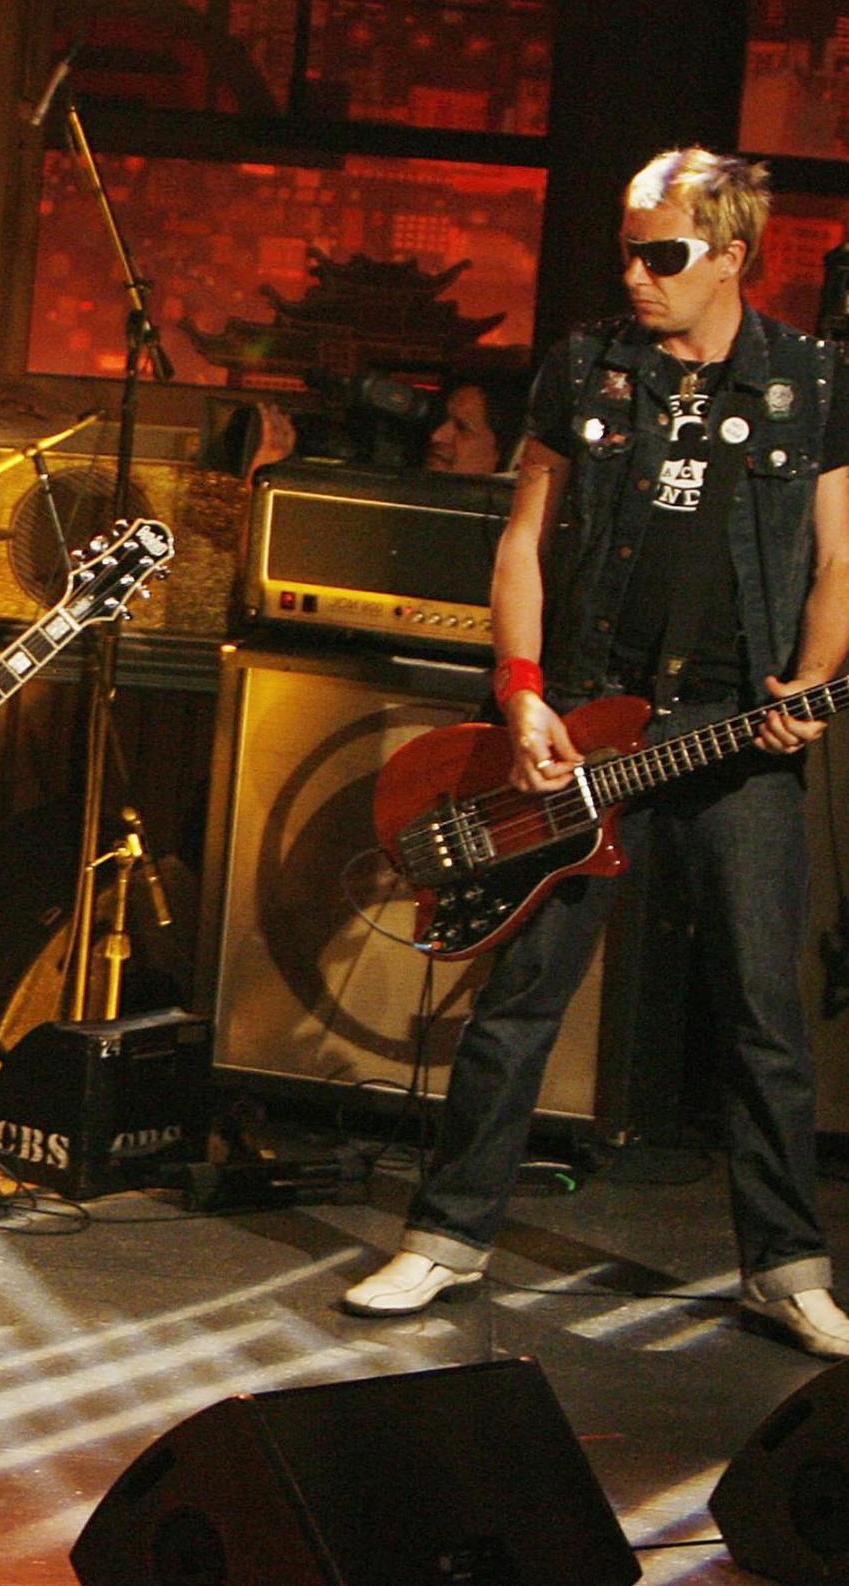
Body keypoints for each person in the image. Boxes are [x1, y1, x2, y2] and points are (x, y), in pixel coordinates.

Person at [343, 148, 849, 1358]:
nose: (634, 274)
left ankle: (783, 1265)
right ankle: (445, 1235)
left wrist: (814, 689)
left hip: (733, 733)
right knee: (520, 999)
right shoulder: (586, 368)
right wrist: (521, 697)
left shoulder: (808, 380)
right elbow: (522, 540)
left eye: (660, 253)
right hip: (584, 723)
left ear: (731, 255)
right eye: (626, 248)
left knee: (759, 1015)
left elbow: (839, 558)